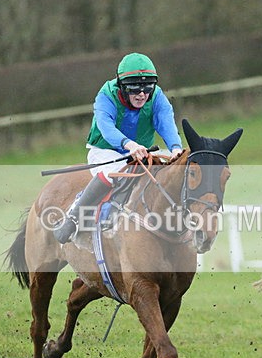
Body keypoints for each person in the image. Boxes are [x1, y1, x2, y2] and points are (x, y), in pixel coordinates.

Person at [54, 52, 184, 244]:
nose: (142, 94)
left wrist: (175, 149)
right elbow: (106, 128)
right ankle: (74, 216)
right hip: (106, 150)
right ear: (122, 86)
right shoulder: (106, 96)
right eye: (134, 88)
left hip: (143, 151)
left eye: (147, 87)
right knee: (113, 174)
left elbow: (166, 123)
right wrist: (129, 145)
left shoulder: (157, 97)